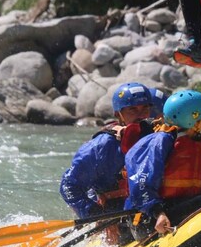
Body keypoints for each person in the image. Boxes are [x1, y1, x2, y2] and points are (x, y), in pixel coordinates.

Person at [125, 90, 201, 238]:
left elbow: (196, 185)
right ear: (195, 121)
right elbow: (141, 184)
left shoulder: (193, 141)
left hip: (175, 205)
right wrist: (158, 213)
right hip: (150, 218)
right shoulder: (162, 142)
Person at [59, 82, 152, 218]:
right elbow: (68, 185)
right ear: (118, 114)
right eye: (132, 109)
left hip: (146, 204)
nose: (141, 115)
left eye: (145, 108)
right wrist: (94, 213)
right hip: (114, 211)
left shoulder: (155, 135)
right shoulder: (101, 147)